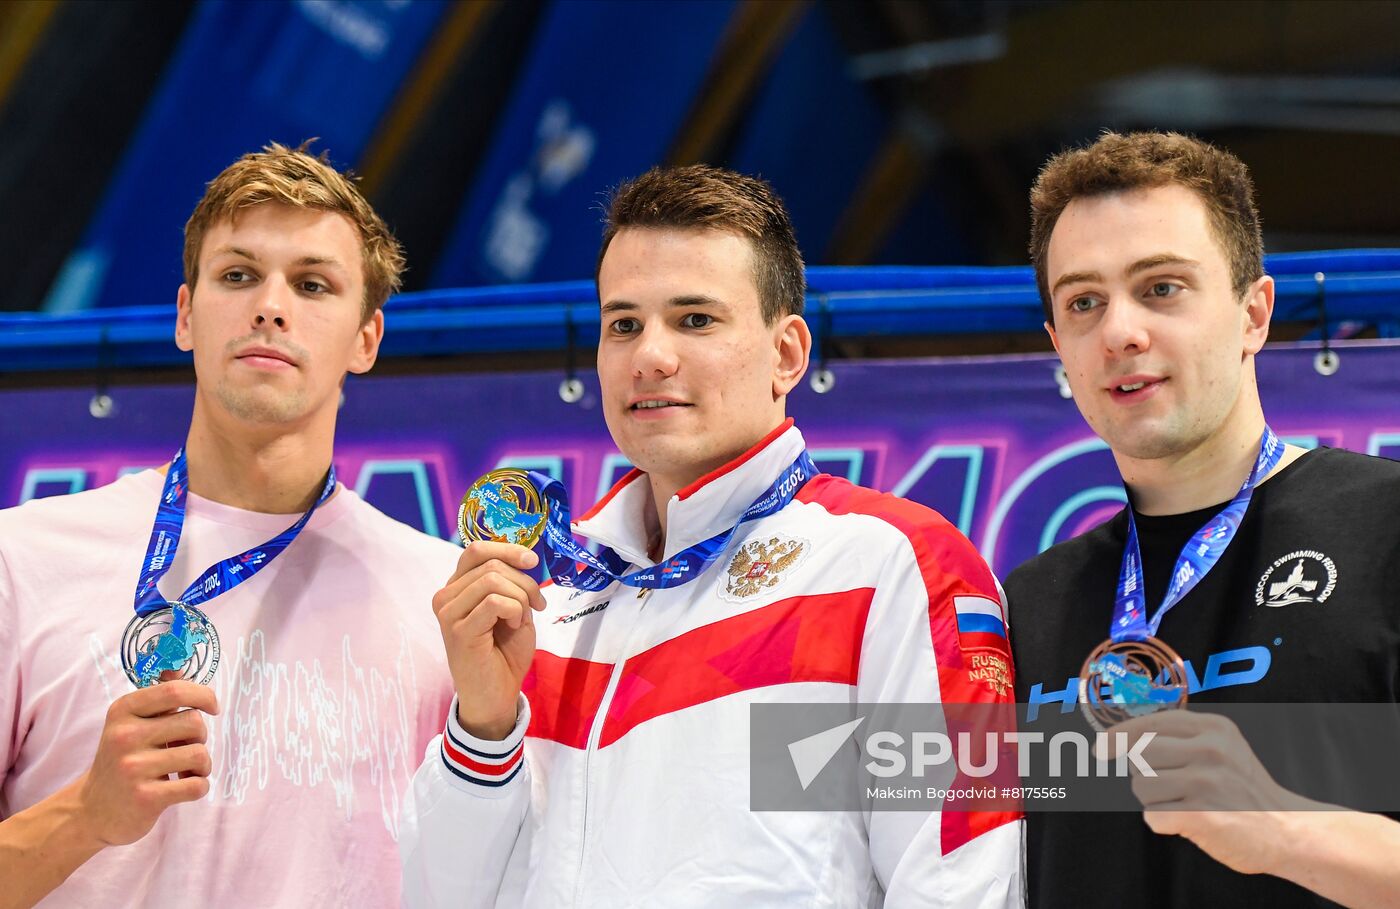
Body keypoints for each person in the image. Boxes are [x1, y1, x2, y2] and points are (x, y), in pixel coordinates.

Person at [399, 165, 1023, 907]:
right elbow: (444, 894)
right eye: (623, 323)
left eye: (695, 319)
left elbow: (960, 885)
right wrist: (484, 727)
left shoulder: (893, 564)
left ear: (787, 354)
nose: (650, 355)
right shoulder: (548, 596)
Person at [0, 143, 461, 908]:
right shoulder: (22, 559)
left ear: (367, 338)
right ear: (186, 314)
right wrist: (85, 813)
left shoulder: (439, 599)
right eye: (238, 275)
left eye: (312, 284)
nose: (270, 305)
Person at [1005, 131, 1400, 909]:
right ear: (1059, 347)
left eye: (1161, 288)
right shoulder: (1029, 602)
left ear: (1254, 314)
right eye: (1083, 302)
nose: (1120, 331)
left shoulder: (1387, 527)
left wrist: (1283, 828)